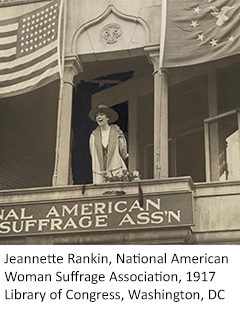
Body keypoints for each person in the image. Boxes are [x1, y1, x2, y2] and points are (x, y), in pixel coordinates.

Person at [89, 104, 129, 183]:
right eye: (97, 116)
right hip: (100, 172)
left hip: (115, 168)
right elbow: (92, 153)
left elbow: (123, 151)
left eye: (101, 115)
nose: (98, 117)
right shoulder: (94, 135)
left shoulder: (116, 132)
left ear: (107, 117)